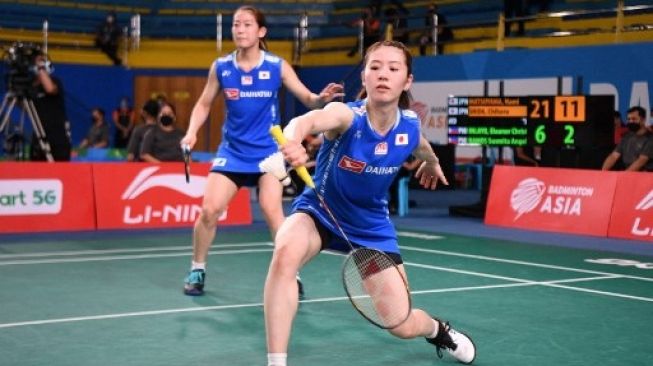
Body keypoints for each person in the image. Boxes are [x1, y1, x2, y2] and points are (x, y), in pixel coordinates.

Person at [264, 40, 476, 366]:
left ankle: (437, 330)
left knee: (400, 323)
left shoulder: (408, 124)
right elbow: (308, 121)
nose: (382, 75)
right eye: (374, 67)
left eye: (393, 68)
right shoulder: (347, 116)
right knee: (285, 251)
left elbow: (418, 144)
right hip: (320, 210)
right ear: (363, 77)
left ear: (407, 81)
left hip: (370, 226)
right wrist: (292, 140)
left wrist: (432, 162)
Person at [180, 5, 344, 297]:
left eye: (246, 24)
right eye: (236, 24)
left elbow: (307, 98)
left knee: (272, 210)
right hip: (232, 152)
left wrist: (321, 99)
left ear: (261, 32)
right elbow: (204, 103)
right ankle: (197, 268)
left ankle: (290, 272)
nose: (240, 30)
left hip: (268, 154)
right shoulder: (221, 67)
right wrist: (192, 132)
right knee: (209, 210)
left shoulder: (276, 66)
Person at [29, 52, 72, 161]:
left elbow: (50, 89)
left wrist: (40, 67)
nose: (41, 64)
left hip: (57, 139)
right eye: (38, 62)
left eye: (43, 61)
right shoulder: (31, 87)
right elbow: (26, 107)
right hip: (39, 138)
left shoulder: (55, 81)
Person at [602, 106, 653, 172]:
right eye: (629, 119)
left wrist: (625, 176)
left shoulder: (650, 138)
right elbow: (614, 156)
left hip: (645, 176)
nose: (630, 121)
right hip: (629, 175)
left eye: (634, 119)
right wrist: (603, 171)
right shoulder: (626, 136)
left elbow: (642, 160)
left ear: (643, 120)